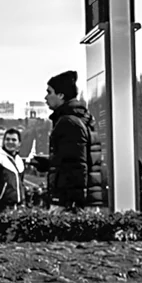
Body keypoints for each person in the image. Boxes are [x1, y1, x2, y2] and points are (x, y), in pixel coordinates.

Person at [44, 69, 102, 209]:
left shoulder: (68, 122)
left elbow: (76, 166)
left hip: (69, 202)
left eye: (49, 92)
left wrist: (72, 203)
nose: (45, 97)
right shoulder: (82, 117)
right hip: (83, 198)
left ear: (61, 95)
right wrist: (48, 163)